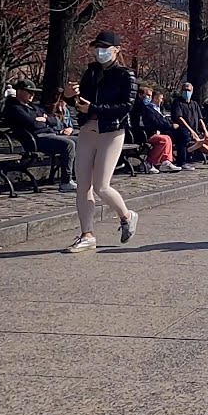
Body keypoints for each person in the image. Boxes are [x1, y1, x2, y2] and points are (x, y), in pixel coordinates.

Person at [63, 31, 140, 254]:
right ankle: (87, 234)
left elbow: (126, 106)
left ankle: (126, 216)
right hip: (88, 129)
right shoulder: (92, 71)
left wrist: (95, 108)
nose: (100, 52)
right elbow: (81, 101)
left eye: (105, 47)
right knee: (83, 185)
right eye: (97, 47)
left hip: (111, 131)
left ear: (116, 50)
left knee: (101, 185)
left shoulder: (126, 75)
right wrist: (69, 96)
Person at [3, 78, 77, 192]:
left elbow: (54, 120)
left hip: (49, 134)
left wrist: (45, 120)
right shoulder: (15, 108)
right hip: (36, 140)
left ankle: (78, 175)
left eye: (33, 92)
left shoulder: (33, 107)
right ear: (19, 91)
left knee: (79, 140)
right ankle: (66, 181)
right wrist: (43, 121)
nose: (32, 95)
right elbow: (32, 124)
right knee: (69, 144)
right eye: (29, 92)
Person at [171, 82, 208, 168]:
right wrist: (191, 131)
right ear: (181, 91)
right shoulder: (178, 103)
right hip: (184, 131)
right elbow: (179, 118)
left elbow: (200, 119)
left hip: (196, 130)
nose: (187, 92)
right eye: (185, 90)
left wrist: (206, 132)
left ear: (192, 91)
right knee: (199, 142)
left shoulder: (194, 104)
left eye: (189, 90)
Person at [132, 86, 181, 173]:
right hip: (141, 134)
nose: (149, 98)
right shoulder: (139, 107)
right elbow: (153, 121)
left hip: (149, 132)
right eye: (147, 95)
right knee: (163, 140)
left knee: (167, 138)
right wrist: (169, 126)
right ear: (140, 95)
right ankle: (148, 163)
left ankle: (166, 162)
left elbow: (159, 118)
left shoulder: (148, 107)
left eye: (150, 96)